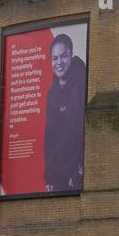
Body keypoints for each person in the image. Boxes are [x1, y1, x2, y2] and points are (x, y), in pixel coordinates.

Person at [43, 33, 86, 192]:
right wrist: (49, 177)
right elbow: (49, 137)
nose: (59, 62)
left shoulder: (83, 82)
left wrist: (79, 171)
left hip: (75, 175)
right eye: (54, 58)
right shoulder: (51, 94)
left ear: (71, 56)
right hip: (57, 178)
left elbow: (83, 128)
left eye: (63, 56)